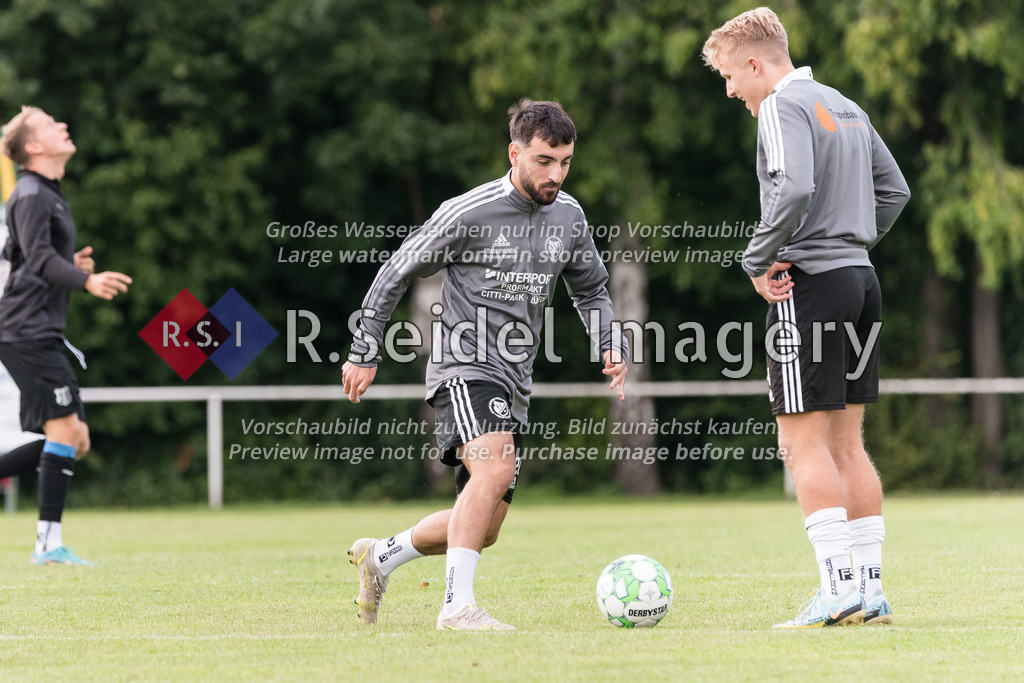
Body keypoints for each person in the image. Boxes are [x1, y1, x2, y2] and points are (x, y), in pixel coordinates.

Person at [342, 98, 629, 631]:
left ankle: (381, 556)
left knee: (486, 524)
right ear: (515, 154)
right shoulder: (468, 212)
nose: (556, 174)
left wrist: (610, 342)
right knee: (494, 469)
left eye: (565, 162)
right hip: (464, 365)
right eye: (544, 161)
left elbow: (591, 290)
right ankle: (456, 608)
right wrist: (365, 348)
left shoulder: (569, 217)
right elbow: (398, 268)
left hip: (515, 381)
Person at [702, 8, 910, 628]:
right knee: (847, 443)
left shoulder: (780, 106)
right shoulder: (845, 105)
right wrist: (851, 240)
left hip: (810, 286)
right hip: (862, 282)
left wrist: (757, 260)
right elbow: (894, 190)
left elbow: (792, 189)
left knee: (802, 444)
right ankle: (869, 591)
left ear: (755, 64)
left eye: (729, 76)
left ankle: (838, 590)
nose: (730, 91)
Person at [0, 106, 132, 565]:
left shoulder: (45, 193)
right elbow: (36, 258)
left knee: (77, 439)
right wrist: (85, 280)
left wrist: (67, 265)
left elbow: (18, 256)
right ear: (33, 147)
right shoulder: (32, 193)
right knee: (64, 432)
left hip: (38, 330)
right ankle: (47, 547)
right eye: (50, 125)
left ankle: (48, 545)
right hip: (25, 331)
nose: (63, 126)